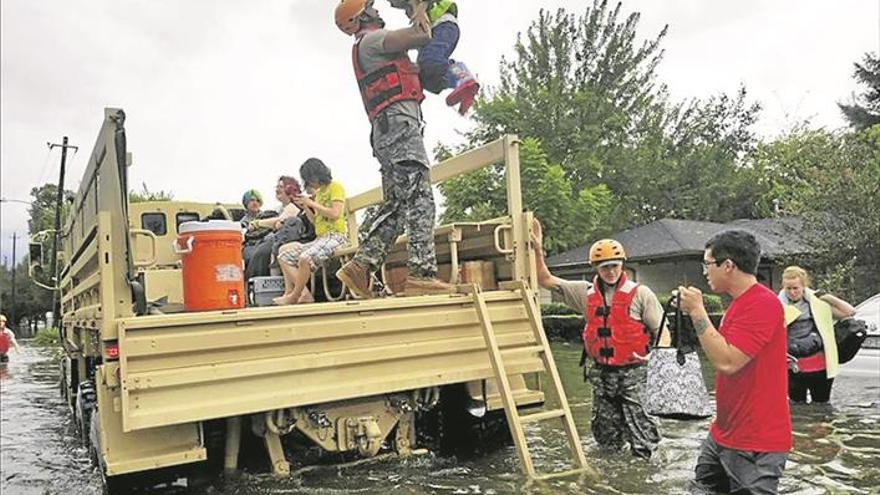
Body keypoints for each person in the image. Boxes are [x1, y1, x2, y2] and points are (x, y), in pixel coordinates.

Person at [334, 0, 451, 298]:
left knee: (398, 206)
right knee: (420, 197)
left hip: (388, 130)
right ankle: (422, 275)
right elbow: (423, 35)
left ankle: (361, 266)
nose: (377, 11)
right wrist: (418, 6)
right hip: (399, 128)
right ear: (360, 19)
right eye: (370, 8)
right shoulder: (372, 40)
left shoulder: (367, 45)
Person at [530, 219, 662, 459]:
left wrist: (656, 356)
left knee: (644, 438)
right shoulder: (583, 293)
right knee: (605, 440)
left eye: (614, 266)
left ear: (622, 264)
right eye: (604, 267)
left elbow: (662, 330)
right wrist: (538, 250)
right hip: (602, 375)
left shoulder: (642, 294)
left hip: (636, 373)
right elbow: (545, 279)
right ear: (596, 268)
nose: (610, 271)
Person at [678, 230, 790, 494]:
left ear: (727, 265)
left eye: (707, 264)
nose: (705, 271)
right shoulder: (739, 304)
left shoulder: (763, 304)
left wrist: (697, 310)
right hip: (723, 434)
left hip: (756, 443)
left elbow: (727, 362)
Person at [274, 158, 348, 305]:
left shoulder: (335, 187)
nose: (309, 183)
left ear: (316, 174)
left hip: (336, 236)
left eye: (309, 179)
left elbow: (335, 213)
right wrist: (306, 207)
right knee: (284, 256)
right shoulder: (320, 193)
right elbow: (316, 222)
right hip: (322, 238)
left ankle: (296, 295)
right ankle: (298, 294)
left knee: (305, 259)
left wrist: (312, 203)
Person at [779, 265, 855, 404]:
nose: (792, 292)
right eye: (788, 288)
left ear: (804, 286)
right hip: (792, 365)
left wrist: (829, 298)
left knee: (822, 407)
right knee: (797, 408)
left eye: (796, 288)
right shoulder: (777, 306)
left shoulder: (818, 303)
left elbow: (849, 312)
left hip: (820, 365)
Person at [388, 0, 480, 115]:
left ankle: (462, 77)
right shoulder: (410, 6)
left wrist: (422, 6)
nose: (391, 4)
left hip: (443, 25)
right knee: (425, 76)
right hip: (436, 30)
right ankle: (464, 90)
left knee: (429, 60)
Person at [243, 177, 302, 280]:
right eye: (277, 186)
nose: (277, 189)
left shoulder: (294, 206)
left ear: (290, 189)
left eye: (281, 187)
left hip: (287, 240)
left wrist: (257, 223)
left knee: (262, 253)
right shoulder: (278, 209)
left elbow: (280, 221)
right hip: (274, 239)